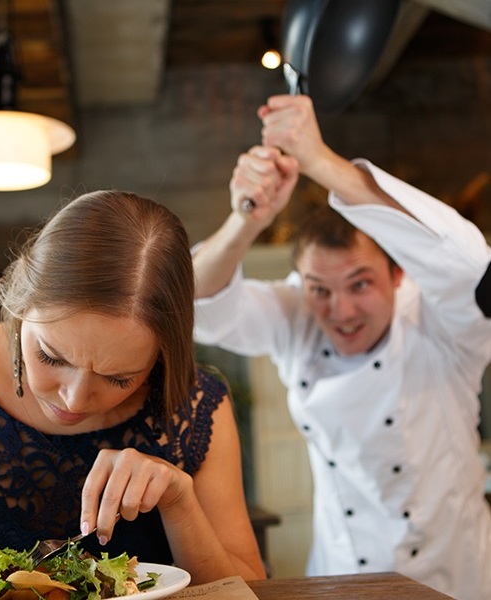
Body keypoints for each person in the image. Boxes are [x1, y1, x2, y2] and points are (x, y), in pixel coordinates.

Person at [193, 94, 491, 600]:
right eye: (320, 289)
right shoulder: (299, 319)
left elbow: (470, 268)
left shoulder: (440, 323)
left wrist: (319, 162)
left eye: (360, 284)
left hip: (455, 577)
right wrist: (248, 217)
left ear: (399, 276)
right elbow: (199, 306)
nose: (341, 311)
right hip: (341, 575)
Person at [0, 190, 266, 585]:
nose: (73, 399)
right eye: (52, 357)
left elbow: (245, 588)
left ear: (161, 358)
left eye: (119, 378)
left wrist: (178, 500)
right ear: (21, 302)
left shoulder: (195, 407)